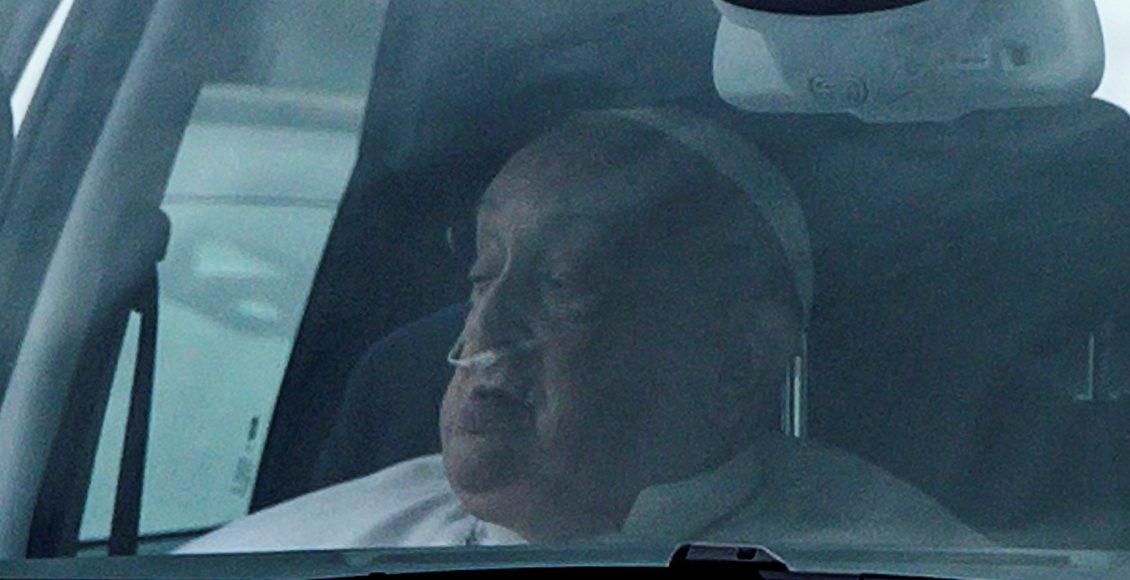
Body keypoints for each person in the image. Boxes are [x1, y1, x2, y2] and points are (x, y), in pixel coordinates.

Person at [176, 109, 987, 553]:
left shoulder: (896, 559)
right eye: (482, 275)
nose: (483, 334)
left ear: (739, 362)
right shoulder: (286, 557)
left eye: (563, 283)